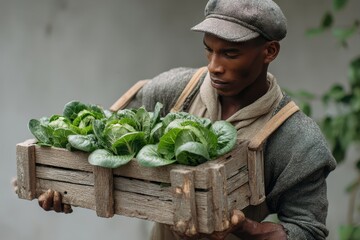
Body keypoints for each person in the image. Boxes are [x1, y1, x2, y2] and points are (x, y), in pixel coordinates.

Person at [22, 0, 337, 239]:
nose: (214, 66)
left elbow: (307, 229)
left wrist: (249, 230)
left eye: (230, 54)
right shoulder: (172, 91)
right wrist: (64, 185)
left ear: (269, 51)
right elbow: (108, 143)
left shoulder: (297, 139)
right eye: (208, 51)